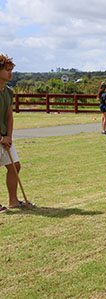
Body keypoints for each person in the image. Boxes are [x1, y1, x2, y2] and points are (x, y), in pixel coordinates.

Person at [0, 54, 34, 212]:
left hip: (5, 137)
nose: (10, 73)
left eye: (11, 70)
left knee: (15, 166)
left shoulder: (8, 91)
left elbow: (9, 116)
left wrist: (8, 137)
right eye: (7, 70)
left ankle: (13, 201)